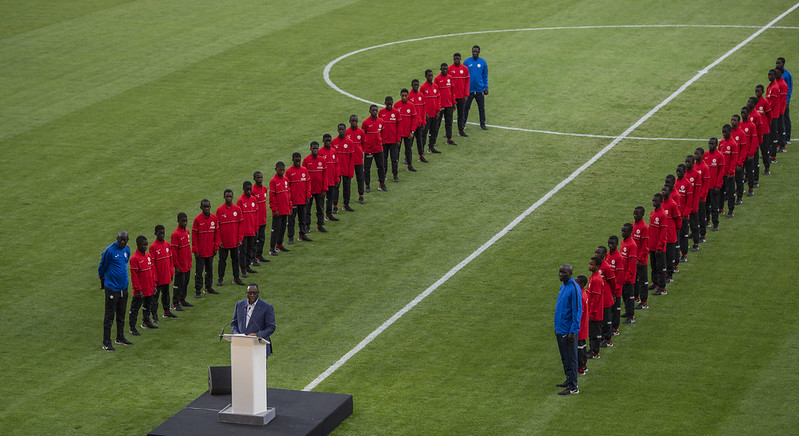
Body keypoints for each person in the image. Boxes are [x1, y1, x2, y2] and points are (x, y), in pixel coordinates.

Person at [98, 231, 132, 350]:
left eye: (124, 240)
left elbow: (124, 264)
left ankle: (120, 337)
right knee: (109, 316)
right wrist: (103, 280)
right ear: (117, 238)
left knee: (121, 314)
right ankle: (106, 342)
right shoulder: (110, 251)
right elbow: (102, 266)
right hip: (112, 288)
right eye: (120, 239)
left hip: (123, 287)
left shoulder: (127, 250)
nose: (122, 242)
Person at [554, 264, 581, 395]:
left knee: (571, 359)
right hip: (560, 329)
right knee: (565, 358)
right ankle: (568, 379)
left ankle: (573, 387)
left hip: (568, 331)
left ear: (570, 273)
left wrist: (573, 331)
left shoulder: (574, 288)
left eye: (563, 273)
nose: (560, 274)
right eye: (559, 272)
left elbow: (577, 311)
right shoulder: (563, 286)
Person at [230, 284, 276, 357]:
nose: (252, 295)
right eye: (250, 293)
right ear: (246, 293)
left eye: (254, 293)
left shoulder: (267, 307)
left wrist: (257, 335)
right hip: (241, 345)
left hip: (258, 346)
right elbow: (233, 323)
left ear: (258, 293)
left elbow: (271, 327)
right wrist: (236, 334)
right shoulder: (239, 305)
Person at [216, 189, 246, 285]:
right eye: (227, 196)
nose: (229, 198)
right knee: (222, 261)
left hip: (235, 242)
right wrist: (219, 241)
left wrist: (240, 239)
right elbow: (217, 228)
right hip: (224, 243)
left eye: (230, 196)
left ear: (232, 197)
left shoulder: (237, 210)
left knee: (235, 261)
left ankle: (236, 278)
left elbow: (241, 226)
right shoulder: (219, 210)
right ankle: (220, 279)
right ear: (224, 197)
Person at [192, 199, 220, 298]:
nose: (207, 208)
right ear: (201, 207)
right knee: (199, 272)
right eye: (205, 207)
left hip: (210, 251)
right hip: (200, 252)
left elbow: (217, 234)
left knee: (210, 271)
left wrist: (216, 247)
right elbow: (194, 236)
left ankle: (208, 287)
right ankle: (198, 290)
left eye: (208, 206)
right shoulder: (197, 220)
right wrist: (195, 250)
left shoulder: (214, 218)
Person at [129, 235, 157, 333]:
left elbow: (152, 271)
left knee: (147, 306)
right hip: (140, 290)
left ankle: (146, 322)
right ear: (138, 245)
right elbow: (134, 276)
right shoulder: (134, 259)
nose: (145, 247)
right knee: (135, 308)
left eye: (146, 245)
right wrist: (138, 289)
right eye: (143, 245)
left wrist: (154, 285)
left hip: (149, 287)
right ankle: (132, 327)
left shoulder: (148, 256)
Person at [149, 225, 178, 320]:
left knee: (166, 295)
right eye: (159, 233)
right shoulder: (153, 247)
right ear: (155, 234)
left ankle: (167, 311)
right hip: (158, 278)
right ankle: (154, 315)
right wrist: (155, 279)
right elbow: (152, 265)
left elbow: (170, 261)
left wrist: (171, 273)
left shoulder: (167, 245)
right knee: (155, 297)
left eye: (163, 233)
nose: (162, 235)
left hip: (166, 276)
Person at [287, 151, 312, 243]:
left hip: (302, 200)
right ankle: (290, 237)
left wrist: (308, 195)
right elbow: (287, 188)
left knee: (302, 219)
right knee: (291, 221)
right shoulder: (289, 172)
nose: (298, 163)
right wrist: (289, 200)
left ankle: (302, 235)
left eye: (299, 161)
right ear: (292, 160)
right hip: (293, 201)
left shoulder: (304, 170)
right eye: (296, 161)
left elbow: (308, 183)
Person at [304, 141, 329, 232]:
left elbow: (325, 175)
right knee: (307, 210)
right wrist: (306, 191)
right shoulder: (306, 160)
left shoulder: (322, 160)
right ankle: (307, 226)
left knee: (320, 209)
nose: (315, 150)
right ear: (310, 149)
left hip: (319, 190)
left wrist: (324, 189)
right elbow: (304, 176)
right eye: (313, 148)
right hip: (309, 191)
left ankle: (320, 225)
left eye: (316, 148)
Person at [170, 213, 193, 311]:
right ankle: (175, 303)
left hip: (187, 264)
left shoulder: (187, 231)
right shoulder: (175, 234)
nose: (185, 223)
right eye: (182, 221)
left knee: (185, 283)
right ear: (178, 221)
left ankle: (182, 300)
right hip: (180, 265)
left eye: (186, 221)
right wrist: (176, 265)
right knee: (178, 284)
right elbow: (174, 252)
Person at [269, 161, 292, 256]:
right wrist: (274, 209)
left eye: (283, 170)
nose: (282, 172)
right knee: (275, 229)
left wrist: (290, 206)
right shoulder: (273, 181)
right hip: (278, 211)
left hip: (285, 209)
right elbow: (272, 197)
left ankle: (279, 245)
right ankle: (272, 248)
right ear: (276, 169)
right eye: (280, 170)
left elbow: (288, 194)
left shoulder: (286, 180)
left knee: (282, 228)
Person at [332, 123, 356, 211]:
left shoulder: (350, 142)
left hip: (346, 169)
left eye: (343, 129)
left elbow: (352, 158)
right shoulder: (334, 142)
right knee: (336, 188)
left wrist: (351, 171)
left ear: (345, 130)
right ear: (337, 130)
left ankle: (346, 204)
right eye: (340, 129)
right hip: (337, 171)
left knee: (347, 187)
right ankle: (335, 206)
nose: (341, 131)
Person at [464, 45, 488, 130]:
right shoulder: (467, 62)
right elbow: (463, 76)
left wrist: (486, 87)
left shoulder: (483, 62)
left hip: (479, 89)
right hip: (469, 90)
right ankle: (463, 124)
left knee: (481, 108)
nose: (474, 53)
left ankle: (482, 124)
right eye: (473, 51)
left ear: (479, 52)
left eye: (476, 51)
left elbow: (485, 76)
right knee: (466, 108)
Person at [704, 138, 725, 231]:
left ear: (716, 144)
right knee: (705, 206)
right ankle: (706, 221)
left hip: (714, 187)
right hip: (705, 187)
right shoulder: (705, 155)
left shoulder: (720, 156)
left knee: (714, 206)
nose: (710, 145)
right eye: (709, 144)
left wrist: (718, 185)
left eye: (712, 144)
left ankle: (715, 223)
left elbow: (721, 173)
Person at [378, 96, 402, 182]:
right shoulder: (381, 112)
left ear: (392, 103)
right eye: (387, 103)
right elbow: (379, 127)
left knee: (394, 159)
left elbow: (399, 127)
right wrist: (379, 139)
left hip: (393, 141)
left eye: (390, 103)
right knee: (383, 159)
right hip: (384, 141)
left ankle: (395, 175)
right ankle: (383, 175)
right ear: (385, 103)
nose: (389, 105)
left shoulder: (396, 112)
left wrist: (398, 139)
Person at [394, 88, 418, 172]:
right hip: (399, 134)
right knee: (397, 150)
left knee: (408, 149)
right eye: (402, 96)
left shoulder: (411, 106)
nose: (404, 97)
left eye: (405, 96)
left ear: (408, 96)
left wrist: (412, 131)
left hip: (408, 133)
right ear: (400, 96)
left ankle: (409, 165)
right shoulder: (396, 105)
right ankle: (395, 166)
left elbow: (414, 119)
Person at [649, 193, 668, 296]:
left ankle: (662, 288)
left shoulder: (663, 215)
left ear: (661, 201)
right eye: (653, 201)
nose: (654, 203)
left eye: (655, 201)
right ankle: (655, 283)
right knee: (653, 267)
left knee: (660, 268)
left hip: (659, 248)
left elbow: (663, 233)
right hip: (651, 246)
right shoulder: (652, 213)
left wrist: (659, 247)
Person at [345, 114, 367, 203]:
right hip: (349, 161)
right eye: (352, 121)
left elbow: (364, 144)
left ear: (357, 121)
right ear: (349, 121)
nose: (354, 123)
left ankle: (361, 195)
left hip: (358, 159)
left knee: (360, 178)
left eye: (355, 121)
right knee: (347, 180)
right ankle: (346, 198)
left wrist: (360, 151)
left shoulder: (361, 132)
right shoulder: (346, 132)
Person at [674, 164, 693, 263]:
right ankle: (676, 255)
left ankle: (684, 254)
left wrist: (685, 214)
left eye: (680, 171)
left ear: (684, 172)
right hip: (676, 216)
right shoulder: (675, 183)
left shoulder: (688, 184)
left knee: (684, 235)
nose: (678, 173)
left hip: (684, 216)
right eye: (677, 171)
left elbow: (689, 202)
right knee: (676, 236)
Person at [320, 133, 342, 220]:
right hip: (323, 181)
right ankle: (321, 217)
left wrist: (337, 179)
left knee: (330, 198)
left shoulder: (334, 151)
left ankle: (328, 214)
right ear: (323, 141)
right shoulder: (320, 152)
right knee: (321, 200)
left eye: (329, 141)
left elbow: (337, 166)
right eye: (326, 141)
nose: (328, 142)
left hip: (332, 180)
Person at [434, 62, 457, 146]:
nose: (445, 70)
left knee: (449, 122)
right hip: (441, 106)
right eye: (443, 69)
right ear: (440, 69)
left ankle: (449, 138)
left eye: (446, 69)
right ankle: (434, 140)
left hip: (449, 105)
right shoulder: (437, 79)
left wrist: (454, 102)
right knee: (437, 124)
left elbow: (452, 91)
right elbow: (435, 94)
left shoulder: (450, 78)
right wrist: (437, 106)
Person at [420, 69, 442, 154]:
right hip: (427, 115)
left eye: (432, 75)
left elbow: (438, 99)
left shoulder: (435, 86)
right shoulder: (423, 88)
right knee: (424, 133)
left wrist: (438, 111)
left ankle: (431, 147)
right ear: (425, 76)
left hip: (435, 114)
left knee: (434, 131)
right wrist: (424, 113)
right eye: (429, 76)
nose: (431, 77)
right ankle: (421, 151)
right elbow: (421, 102)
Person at [632, 206, 650, 310]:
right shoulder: (633, 225)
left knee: (643, 281)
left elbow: (645, 246)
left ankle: (644, 302)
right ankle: (636, 297)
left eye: (637, 214)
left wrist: (640, 259)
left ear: (642, 215)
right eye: (634, 213)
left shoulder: (644, 227)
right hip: (634, 260)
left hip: (641, 261)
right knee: (635, 280)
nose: (635, 215)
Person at [586, 256, 604, 360]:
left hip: (595, 313)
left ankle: (595, 352)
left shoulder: (596, 279)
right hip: (592, 311)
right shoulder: (593, 276)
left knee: (595, 333)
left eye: (591, 264)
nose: (589, 266)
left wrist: (592, 313)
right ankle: (592, 349)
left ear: (597, 266)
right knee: (592, 332)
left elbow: (595, 298)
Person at [619, 223, 638, 324]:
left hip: (629, 277)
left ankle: (631, 316)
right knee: (625, 295)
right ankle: (627, 311)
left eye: (625, 231)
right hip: (623, 275)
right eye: (622, 231)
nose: (623, 233)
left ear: (630, 232)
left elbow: (632, 264)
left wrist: (628, 276)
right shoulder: (623, 242)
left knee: (630, 296)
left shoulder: (632, 245)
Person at [605, 236, 624, 335]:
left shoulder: (619, 257)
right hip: (609, 289)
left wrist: (615, 290)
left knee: (616, 309)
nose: (610, 245)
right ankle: (610, 327)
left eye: (612, 244)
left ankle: (615, 328)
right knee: (610, 310)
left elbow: (620, 276)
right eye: (609, 243)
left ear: (617, 244)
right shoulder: (607, 255)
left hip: (616, 290)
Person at [449, 52, 470, 137]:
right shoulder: (449, 69)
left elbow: (467, 83)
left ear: (460, 59)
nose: (456, 60)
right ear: (453, 59)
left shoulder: (464, 69)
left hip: (461, 96)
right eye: (455, 58)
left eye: (458, 58)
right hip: (452, 97)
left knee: (461, 114)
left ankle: (460, 130)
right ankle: (448, 132)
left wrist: (466, 94)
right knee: (449, 115)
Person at [408, 79, 429, 163]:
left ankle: (421, 156)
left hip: (419, 123)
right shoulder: (409, 96)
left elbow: (423, 110)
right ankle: (407, 157)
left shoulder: (421, 96)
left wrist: (423, 122)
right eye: (414, 85)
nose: (416, 86)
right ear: (411, 85)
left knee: (419, 140)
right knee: (410, 142)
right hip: (412, 124)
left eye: (417, 85)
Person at [251, 171, 270, 264]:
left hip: (263, 219)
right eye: (258, 177)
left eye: (261, 177)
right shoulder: (252, 191)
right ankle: (253, 257)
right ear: (254, 179)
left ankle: (259, 255)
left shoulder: (265, 189)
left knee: (262, 238)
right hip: (255, 220)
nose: (260, 179)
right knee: (254, 240)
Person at [574, 275, 589, 375]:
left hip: (580, 326)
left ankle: (580, 367)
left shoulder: (580, 296)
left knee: (579, 348)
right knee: (583, 346)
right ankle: (583, 366)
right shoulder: (584, 293)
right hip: (584, 326)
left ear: (581, 284)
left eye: (576, 282)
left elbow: (579, 313)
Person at [776, 57, 792, 145]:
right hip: (777, 102)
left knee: (785, 119)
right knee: (778, 120)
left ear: (783, 64)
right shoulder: (775, 73)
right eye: (776, 63)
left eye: (779, 63)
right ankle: (779, 138)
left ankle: (787, 137)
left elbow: (789, 88)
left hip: (784, 101)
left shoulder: (787, 75)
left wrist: (787, 100)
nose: (777, 65)